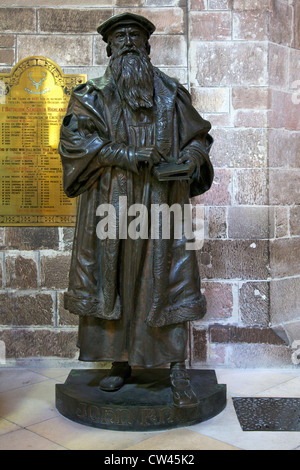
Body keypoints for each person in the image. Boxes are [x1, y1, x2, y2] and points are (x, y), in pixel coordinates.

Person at [59, 12, 214, 407]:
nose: (128, 43)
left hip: (163, 202)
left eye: (135, 37)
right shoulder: (90, 95)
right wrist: (129, 155)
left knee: (165, 282)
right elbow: (77, 145)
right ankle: (119, 362)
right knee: (115, 281)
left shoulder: (171, 94)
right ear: (109, 48)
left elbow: (199, 139)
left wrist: (192, 160)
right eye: (120, 38)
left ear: (146, 47)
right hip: (111, 202)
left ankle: (176, 368)